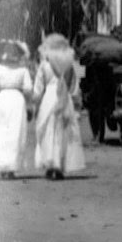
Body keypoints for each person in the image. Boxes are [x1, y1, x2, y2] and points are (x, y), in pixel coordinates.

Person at [33, 33, 86, 180]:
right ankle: (60, 165)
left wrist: (35, 102)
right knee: (63, 132)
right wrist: (75, 102)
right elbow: (74, 87)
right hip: (65, 98)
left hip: (49, 99)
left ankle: (50, 164)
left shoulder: (45, 65)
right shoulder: (69, 66)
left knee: (48, 131)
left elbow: (38, 88)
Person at [0, 40, 33, 179]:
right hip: (17, 100)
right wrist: (29, 104)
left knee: (1, 133)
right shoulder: (23, 70)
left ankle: (2, 166)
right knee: (15, 133)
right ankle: (12, 167)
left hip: (2, 100)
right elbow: (28, 89)